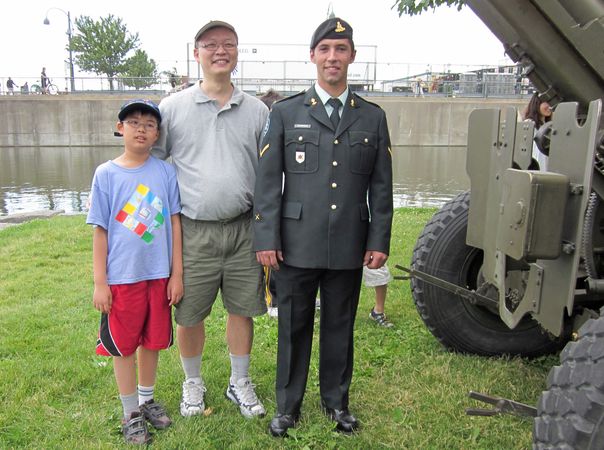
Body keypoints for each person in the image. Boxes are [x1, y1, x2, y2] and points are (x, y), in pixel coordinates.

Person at [253, 17, 393, 437]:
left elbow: (382, 186)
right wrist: (266, 236)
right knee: (293, 326)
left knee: (339, 326)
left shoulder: (371, 116)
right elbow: (267, 182)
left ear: (352, 56)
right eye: (325, 50)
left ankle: (337, 403)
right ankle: (288, 407)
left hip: (349, 242)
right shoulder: (285, 112)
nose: (333, 57)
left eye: (341, 49)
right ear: (313, 56)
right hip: (295, 244)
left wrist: (379, 239)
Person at [152, 20, 269, 420]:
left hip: (243, 230)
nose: (221, 51)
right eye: (211, 45)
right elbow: (153, 165)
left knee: (242, 309)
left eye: (229, 44)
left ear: (237, 52)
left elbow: (271, 173)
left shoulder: (257, 111)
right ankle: (193, 383)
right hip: (194, 231)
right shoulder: (173, 108)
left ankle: (239, 382)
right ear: (197, 52)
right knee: (190, 313)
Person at [86, 99, 183, 445]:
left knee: (152, 341)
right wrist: (101, 282)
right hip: (122, 278)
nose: (141, 128)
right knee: (124, 346)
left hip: (157, 275)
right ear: (120, 127)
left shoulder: (164, 172)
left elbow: (174, 222)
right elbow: (100, 230)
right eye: (133, 122)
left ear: (158, 134)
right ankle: (130, 412)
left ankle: (146, 400)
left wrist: (177, 274)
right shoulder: (106, 174)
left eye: (149, 124)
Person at [523, 92, 553, 170]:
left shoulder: (548, 126)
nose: (549, 107)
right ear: (536, 104)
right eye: (546, 103)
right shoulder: (528, 124)